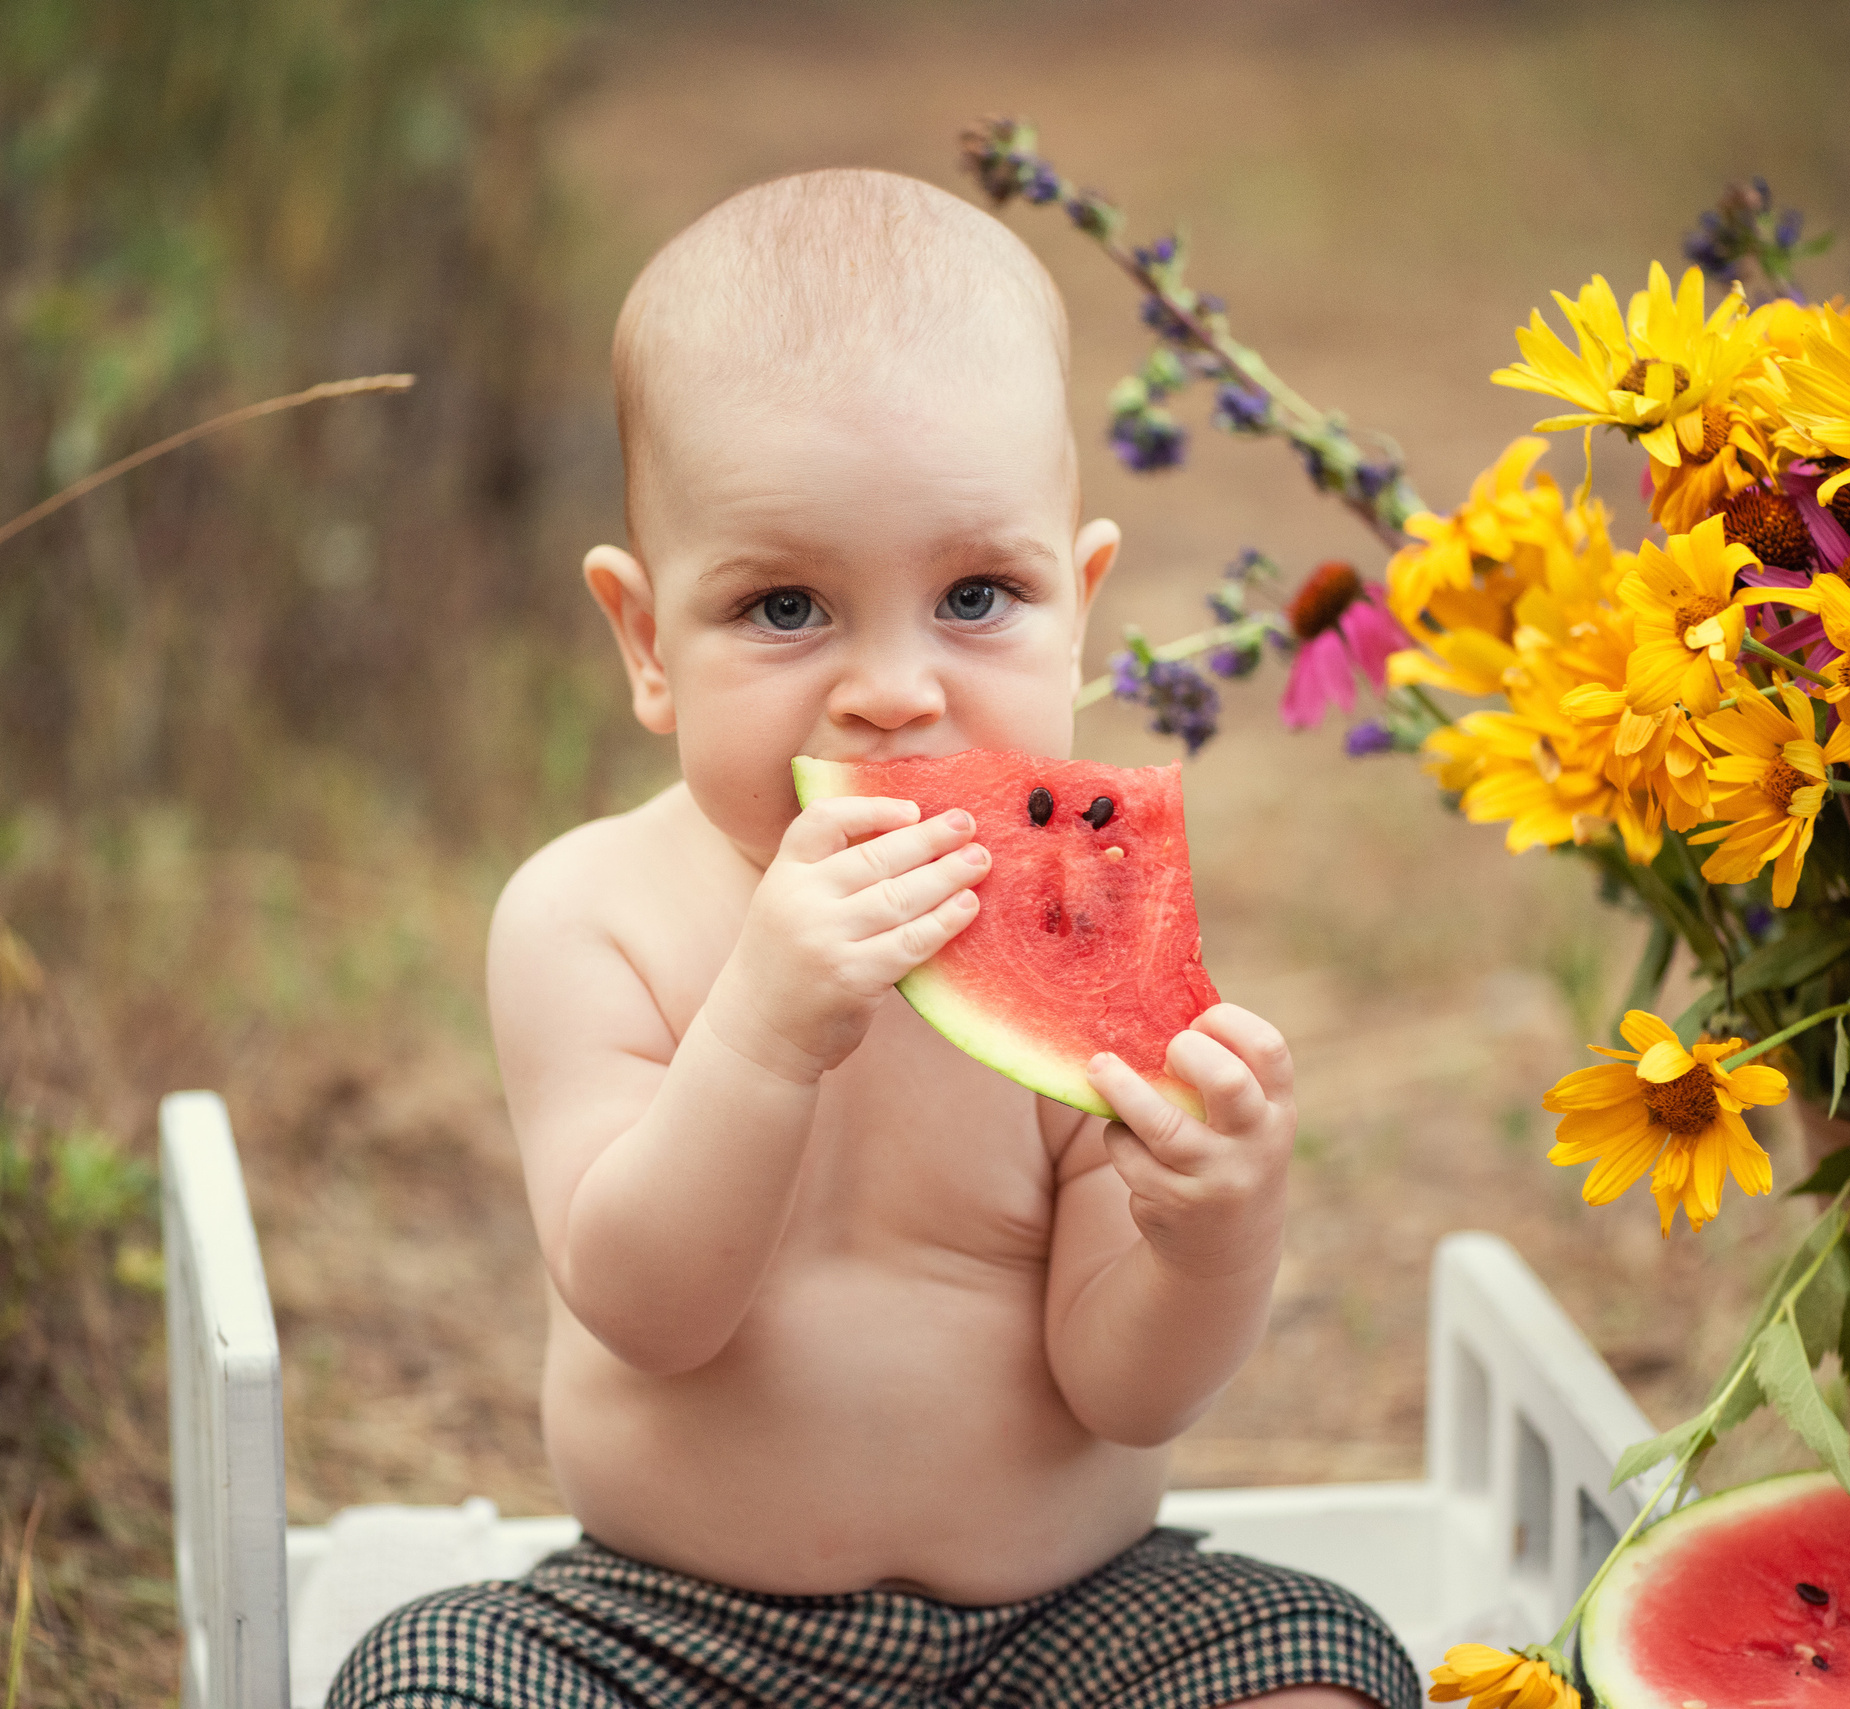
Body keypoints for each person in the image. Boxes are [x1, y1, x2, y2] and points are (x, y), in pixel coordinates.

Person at [328, 167, 1414, 1709]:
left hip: (1067, 1631)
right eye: (786, 608)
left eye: (977, 593)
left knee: (1318, 1663)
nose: (892, 688)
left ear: (1081, 607)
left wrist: (1216, 1234)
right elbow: (647, 1301)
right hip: (666, 1633)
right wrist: (763, 1030)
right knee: (427, 1674)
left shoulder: (1082, 903)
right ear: (647, 642)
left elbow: (1126, 1382)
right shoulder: (588, 917)